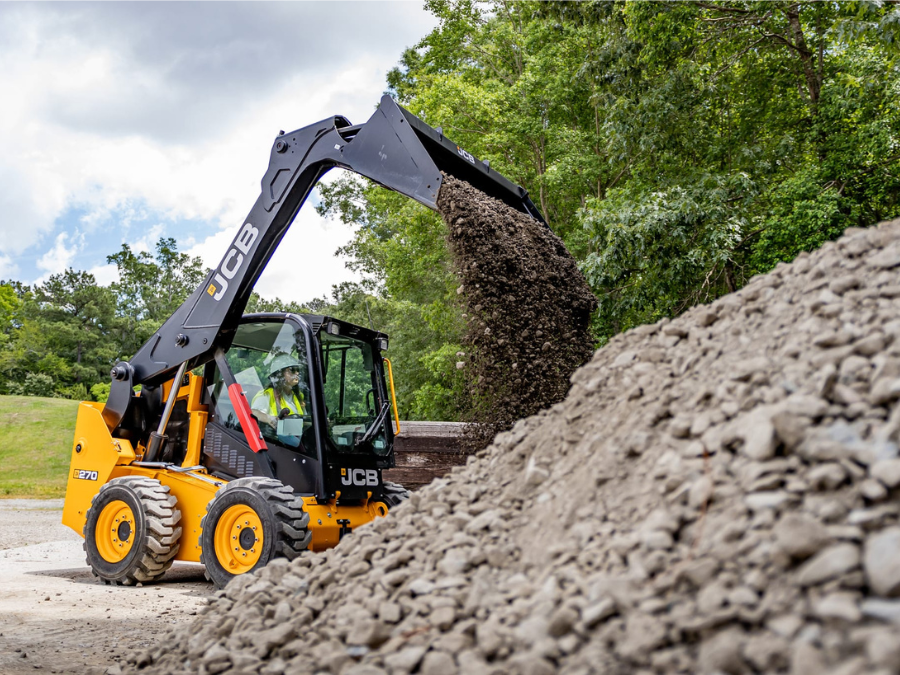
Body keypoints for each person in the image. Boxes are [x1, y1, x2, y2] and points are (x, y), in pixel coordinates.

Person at [251, 354, 306, 448]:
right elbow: (253, 412)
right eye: (292, 370)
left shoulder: (298, 397)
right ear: (279, 374)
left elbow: (302, 422)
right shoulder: (267, 395)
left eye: (298, 370)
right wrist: (269, 418)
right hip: (277, 447)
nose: (297, 373)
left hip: (296, 446)